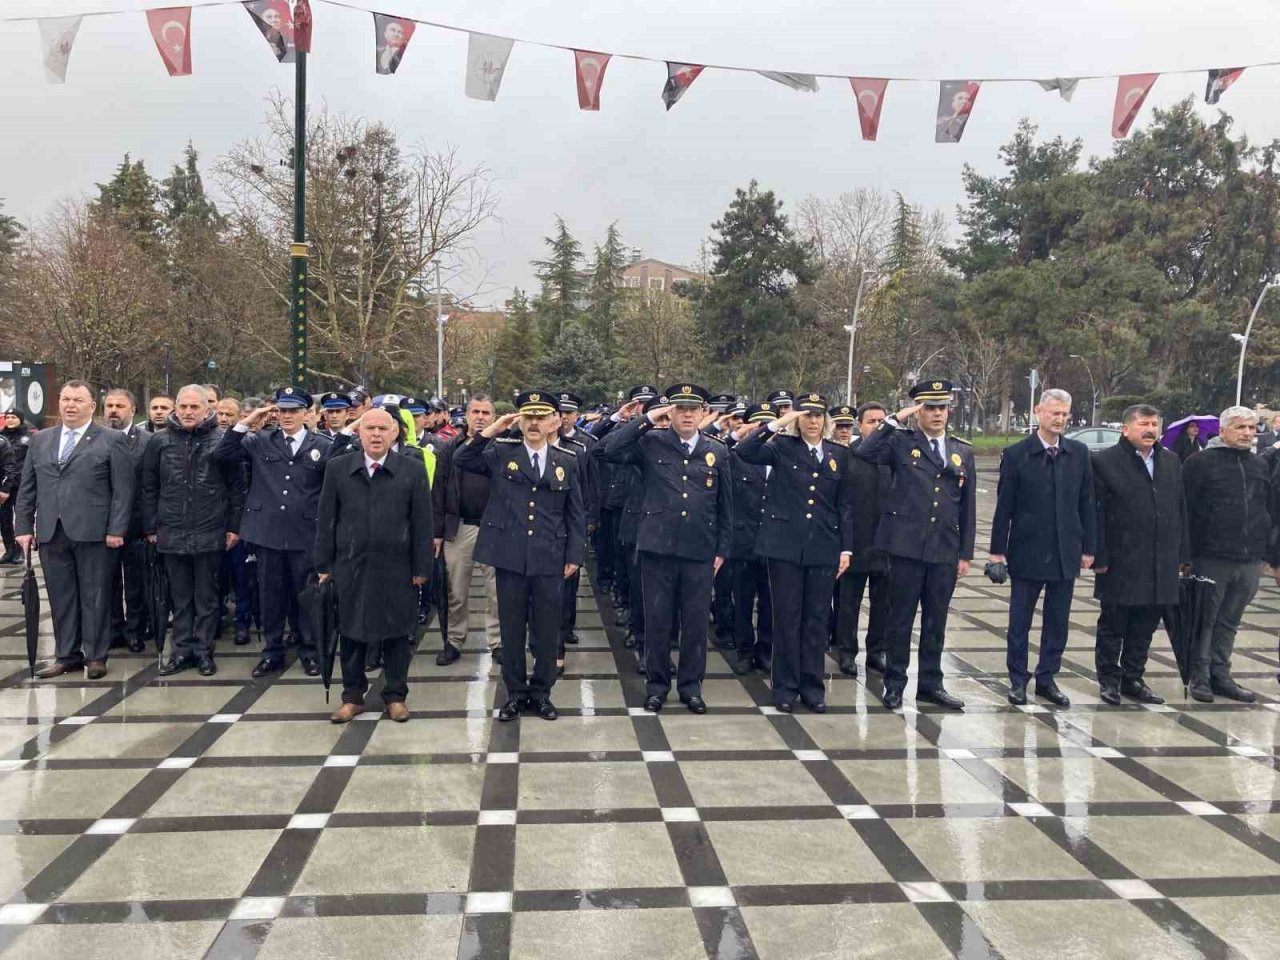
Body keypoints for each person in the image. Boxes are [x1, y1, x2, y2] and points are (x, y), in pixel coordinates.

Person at [454, 391, 585, 722]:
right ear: (519, 420)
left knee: (546, 631)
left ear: (553, 421)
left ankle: (541, 693)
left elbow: (575, 513)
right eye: (528, 417)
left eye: (541, 417)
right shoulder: (500, 453)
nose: (534, 424)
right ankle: (515, 693)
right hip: (509, 556)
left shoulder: (566, 461)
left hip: (549, 557)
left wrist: (574, 555)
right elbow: (462, 459)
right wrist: (493, 429)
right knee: (511, 632)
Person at [601, 384, 732, 714]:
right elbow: (609, 450)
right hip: (657, 548)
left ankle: (691, 687)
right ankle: (657, 686)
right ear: (670, 412)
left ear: (704, 412)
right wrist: (646, 418)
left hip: (700, 550)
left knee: (695, 622)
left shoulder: (717, 450)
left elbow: (725, 506)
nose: (687, 414)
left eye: (693, 409)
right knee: (657, 620)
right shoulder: (650, 442)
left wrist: (722, 549)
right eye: (680, 408)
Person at [853, 380, 975, 711]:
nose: (937, 413)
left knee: (936, 621)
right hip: (906, 548)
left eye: (942, 407)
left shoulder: (961, 450)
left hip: (943, 550)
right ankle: (895, 683)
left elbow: (967, 507)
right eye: (929, 408)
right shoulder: (900, 443)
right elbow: (863, 453)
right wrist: (893, 420)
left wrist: (965, 553)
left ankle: (931, 685)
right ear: (918, 411)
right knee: (901, 620)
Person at [215, 386, 347, 678]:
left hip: (304, 532)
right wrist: (250, 420)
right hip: (268, 533)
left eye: (293, 410)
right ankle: (272, 652)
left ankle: (309, 650)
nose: (287, 416)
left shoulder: (321, 444)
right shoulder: (261, 440)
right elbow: (223, 453)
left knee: (306, 596)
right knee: (270, 595)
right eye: (282, 410)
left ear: (307, 413)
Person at [734, 393, 852, 713]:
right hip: (784, 547)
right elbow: (744, 451)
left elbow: (844, 505)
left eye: (818, 416)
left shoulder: (838, 454)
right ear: (798, 419)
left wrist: (846, 548)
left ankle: (812, 687)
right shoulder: (781, 448)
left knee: (816, 621)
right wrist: (777, 422)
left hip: (823, 546)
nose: (813, 421)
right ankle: (785, 687)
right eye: (806, 415)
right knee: (786, 619)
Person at [316, 408, 433, 723]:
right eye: (370, 428)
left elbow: (423, 522)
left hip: (397, 566)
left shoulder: (412, 469)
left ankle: (395, 696)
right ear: (360, 432)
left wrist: (422, 567)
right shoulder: (338, 468)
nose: (377, 434)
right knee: (351, 632)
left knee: (397, 634)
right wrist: (324, 563)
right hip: (350, 564)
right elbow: (327, 518)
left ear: (395, 433)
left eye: (383, 428)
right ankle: (352, 697)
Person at [16, 381, 134, 679]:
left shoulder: (111, 440)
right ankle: (67, 655)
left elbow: (123, 490)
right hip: (51, 532)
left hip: (95, 532)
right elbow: (27, 488)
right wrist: (23, 526)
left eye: (78, 400)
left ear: (92, 406)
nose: (70, 405)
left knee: (95, 595)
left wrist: (117, 528)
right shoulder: (40, 440)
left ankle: (95, 656)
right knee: (61, 596)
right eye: (65, 399)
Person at [988, 388, 1097, 707]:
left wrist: (1089, 546)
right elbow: (1003, 507)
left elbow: (1087, 503)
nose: (1061, 419)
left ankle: (1047, 678)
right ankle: (1018, 680)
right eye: (1055, 413)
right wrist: (998, 551)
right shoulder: (1017, 454)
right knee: (1019, 621)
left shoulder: (1078, 452)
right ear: (1039, 411)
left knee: (1058, 621)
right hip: (1027, 550)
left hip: (1066, 551)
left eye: (1065, 414)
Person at [143, 386, 245, 676]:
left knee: (207, 596)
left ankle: (203, 651)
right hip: (172, 529)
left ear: (206, 409)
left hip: (211, 528)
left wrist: (233, 527)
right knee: (180, 596)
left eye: (194, 407)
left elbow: (238, 488)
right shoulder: (159, 441)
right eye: (183, 407)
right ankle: (181, 649)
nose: (188, 413)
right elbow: (149, 487)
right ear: (176, 408)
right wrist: (151, 526)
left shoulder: (222, 441)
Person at [1092, 404, 1187, 705]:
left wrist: (1183, 554)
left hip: (1160, 562)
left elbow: (1180, 508)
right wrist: (1099, 556)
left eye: (1154, 424)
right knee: (1114, 624)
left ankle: (1133, 677)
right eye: (1143, 423)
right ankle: (1109, 679)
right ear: (1125, 428)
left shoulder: (1171, 460)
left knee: (1145, 626)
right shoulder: (1104, 461)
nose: (1150, 429)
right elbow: (1097, 514)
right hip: (1120, 561)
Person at [1182, 406, 1271, 702]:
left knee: (1230, 621)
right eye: (1240, 427)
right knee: (1205, 619)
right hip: (1210, 556)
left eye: (1251, 427)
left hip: (1249, 558)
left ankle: (1221, 674)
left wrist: (1266, 553)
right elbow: (1186, 510)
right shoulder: (1199, 463)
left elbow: (1266, 508)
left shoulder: (1259, 465)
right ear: (1223, 431)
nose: (1247, 433)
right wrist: (1185, 554)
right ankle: (1199, 676)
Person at [432, 394, 500, 665]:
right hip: (458, 527)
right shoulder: (450, 447)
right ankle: (454, 640)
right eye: (475, 411)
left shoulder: (502, 446)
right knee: (455, 592)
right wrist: (437, 532)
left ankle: (498, 641)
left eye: (485, 412)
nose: (480, 417)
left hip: (494, 529)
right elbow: (438, 488)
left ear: (493, 417)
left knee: (497, 592)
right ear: (466, 415)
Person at [833, 401, 891, 677]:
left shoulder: (894, 455)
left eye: (882, 421)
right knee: (849, 603)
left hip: (886, 542)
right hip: (856, 540)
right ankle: (846, 651)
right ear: (860, 424)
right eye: (872, 421)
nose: (877, 426)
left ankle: (876, 651)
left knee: (883, 603)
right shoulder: (849, 455)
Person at [726, 403, 775, 676]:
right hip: (743, 543)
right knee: (743, 602)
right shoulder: (736, 456)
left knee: (770, 602)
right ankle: (744, 650)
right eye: (758, 425)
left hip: (774, 544)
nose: (763, 430)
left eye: (768, 424)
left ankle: (765, 650)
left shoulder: (782, 455)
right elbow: (719, 450)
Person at [103, 389, 152, 653]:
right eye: (109, 405)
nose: (113, 410)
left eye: (119, 405)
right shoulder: (95, 440)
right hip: (103, 524)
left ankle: (134, 630)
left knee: (136, 582)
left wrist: (151, 525)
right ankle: (113, 628)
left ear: (132, 410)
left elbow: (152, 485)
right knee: (108, 581)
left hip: (136, 525)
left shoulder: (148, 441)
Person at [554, 392, 597, 658]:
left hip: (574, 519)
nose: (564, 417)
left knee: (571, 578)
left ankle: (566, 625)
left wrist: (590, 519)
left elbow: (591, 485)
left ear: (576, 416)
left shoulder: (582, 446)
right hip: (550, 522)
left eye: (568, 413)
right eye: (559, 412)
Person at [0, 411, 34, 564]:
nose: (10, 420)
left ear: (20, 419)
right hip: (5, 484)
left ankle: (20, 550)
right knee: (4, 518)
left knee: (20, 517)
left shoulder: (29, 436)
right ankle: (9, 550)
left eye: (13, 417)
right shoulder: (2, 437)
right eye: (7, 417)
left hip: (21, 483)